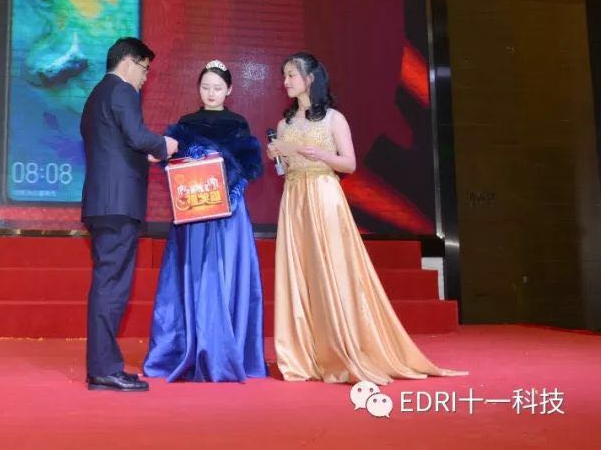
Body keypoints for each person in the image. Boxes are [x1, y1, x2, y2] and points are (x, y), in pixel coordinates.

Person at [268, 52, 465, 384]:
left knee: (331, 271)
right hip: (294, 199)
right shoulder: (284, 124)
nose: (285, 81)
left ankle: (341, 349)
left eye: (291, 75)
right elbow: (286, 169)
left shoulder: (334, 119)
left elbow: (349, 163)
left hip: (324, 196)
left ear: (310, 79)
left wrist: (321, 155)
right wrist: (278, 156)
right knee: (301, 274)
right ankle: (306, 354)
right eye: (284, 75)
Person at [143, 60, 267, 382]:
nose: (211, 93)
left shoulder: (237, 123)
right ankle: (191, 347)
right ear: (198, 89)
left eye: (217, 88)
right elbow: (170, 163)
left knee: (224, 274)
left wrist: (228, 187)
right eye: (205, 87)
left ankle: (225, 350)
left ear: (229, 90)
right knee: (194, 274)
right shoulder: (186, 124)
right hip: (194, 213)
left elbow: (250, 167)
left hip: (229, 213)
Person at [81, 37, 178, 392]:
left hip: (102, 203)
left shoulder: (96, 95)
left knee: (107, 283)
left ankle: (103, 366)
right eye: (145, 70)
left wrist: (142, 154)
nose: (145, 78)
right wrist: (164, 146)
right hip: (118, 205)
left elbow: (115, 143)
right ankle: (104, 370)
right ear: (129, 62)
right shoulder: (122, 91)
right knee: (112, 286)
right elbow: (137, 135)